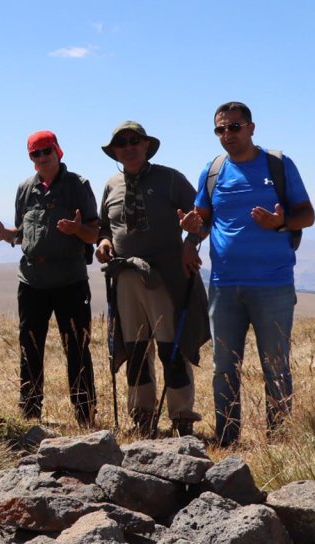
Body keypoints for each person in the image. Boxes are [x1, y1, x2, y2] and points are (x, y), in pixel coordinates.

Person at [187, 101, 315, 446]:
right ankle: (227, 438)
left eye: (234, 127)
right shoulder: (213, 171)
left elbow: (307, 214)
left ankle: (279, 439)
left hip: (272, 284)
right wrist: (191, 231)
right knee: (224, 368)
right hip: (224, 285)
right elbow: (202, 219)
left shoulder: (277, 165)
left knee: (276, 367)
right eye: (220, 129)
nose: (227, 134)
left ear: (251, 128)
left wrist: (281, 222)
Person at [95, 121, 209, 437]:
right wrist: (103, 243)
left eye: (134, 141)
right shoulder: (110, 185)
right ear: (115, 151)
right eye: (122, 143)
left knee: (171, 347)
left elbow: (202, 221)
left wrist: (191, 235)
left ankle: (182, 417)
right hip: (125, 277)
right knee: (134, 348)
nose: (129, 147)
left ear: (146, 146)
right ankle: (142, 417)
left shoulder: (171, 179)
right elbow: (104, 227)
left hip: (165, 276)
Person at [0, 130, 99, 426]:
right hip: (32, 280)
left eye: (46, 151)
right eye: (35, 154)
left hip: (70, 279)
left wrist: (77, 230)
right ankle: (30, 414)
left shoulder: (78, 185)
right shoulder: (25, 188)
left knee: (76, 347)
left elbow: (95, 232)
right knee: (30, 347)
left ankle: (85, 414)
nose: (41, 158)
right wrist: (6, 236)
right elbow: (22, 233)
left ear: (58, 151)